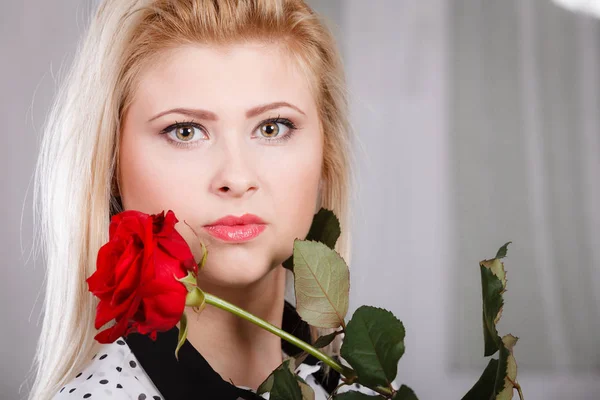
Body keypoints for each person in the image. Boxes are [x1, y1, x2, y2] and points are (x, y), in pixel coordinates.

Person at [27, 0, 366, 398]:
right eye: (185, 131)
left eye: (273, 128)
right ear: (111, 164)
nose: (237, 178)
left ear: (326, 155)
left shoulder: (359, 385)